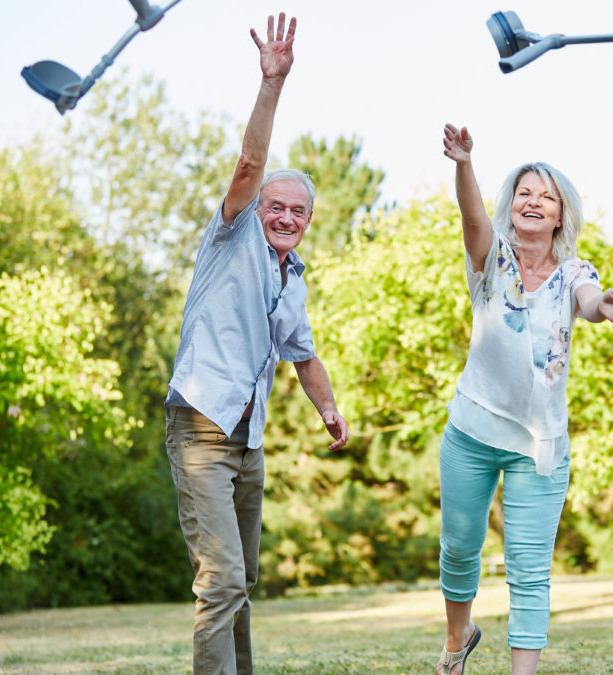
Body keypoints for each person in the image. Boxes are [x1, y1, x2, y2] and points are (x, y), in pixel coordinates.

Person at [164, 13, 348, 675]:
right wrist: (271, 83)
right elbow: (249, 162)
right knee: (221, 582)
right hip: (201, 429)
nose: (287, 217)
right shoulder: (230, 237)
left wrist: (329, 410)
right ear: (258, 206)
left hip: (249, 442)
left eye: (299, 211)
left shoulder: (292, 278)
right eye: (278, 206)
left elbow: (304, 354)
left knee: (243, 586)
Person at [435, 124, 613, 675]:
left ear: (559, 216)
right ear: (512, 205)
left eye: (545, 196)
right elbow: (472, 219)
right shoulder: (491, 261)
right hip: (472, 432)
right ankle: (459, 638)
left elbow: (588, 300)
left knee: (529, 569)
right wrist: (464, 164)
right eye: (524, 192)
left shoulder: (575, 271)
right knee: (459, 547)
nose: (533, 201)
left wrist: (604, 304)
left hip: (539, 446)